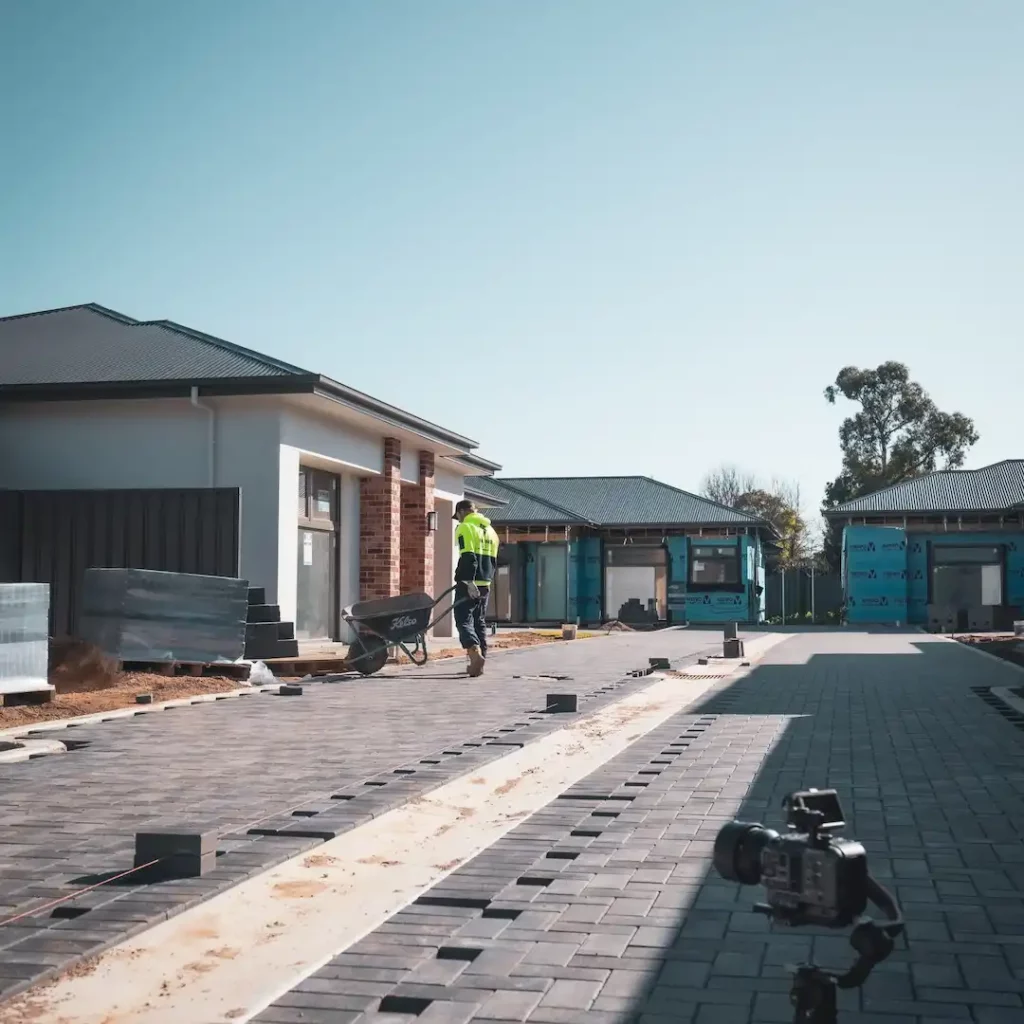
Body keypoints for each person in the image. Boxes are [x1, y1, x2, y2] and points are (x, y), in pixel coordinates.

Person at [452, 499, 500, 677]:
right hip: (485, 584)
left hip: (469, 583)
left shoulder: (465, 527)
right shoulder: (492, 532)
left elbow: (468, 557)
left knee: (463, 619)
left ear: (462, 512)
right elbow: (493, 562)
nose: (458, 520)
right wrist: (484, 581)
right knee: (479, 621)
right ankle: (480, 662)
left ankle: (474, 652)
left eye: (457, 517)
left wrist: (468, 581)